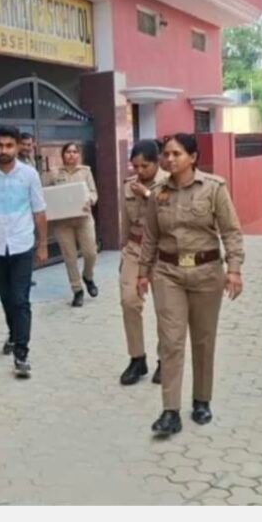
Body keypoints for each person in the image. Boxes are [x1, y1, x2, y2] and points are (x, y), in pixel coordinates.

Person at [137, 133, 245, 436]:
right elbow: (150, 236)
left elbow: (231, 231)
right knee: (171, 341)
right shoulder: (157, 192)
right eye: (166, 154)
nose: (169, 159)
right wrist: (142, 272)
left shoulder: (214, 188)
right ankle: (170, 411)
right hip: (168, 273)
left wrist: (234, 270)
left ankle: (201, 400)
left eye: (177, 154)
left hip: (206, 273)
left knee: (203, 339)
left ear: (193, 157)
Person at [0, 125, 48, 379]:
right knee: (6, 298)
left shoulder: (29, 175)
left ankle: (21, 354)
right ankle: (14, 335)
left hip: (22, 245)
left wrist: (42, 244)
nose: (4, 150)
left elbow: (39, 211)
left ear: (17, 147)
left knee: (20, 300)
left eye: (9, 145)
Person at [118, 140, 168, 385]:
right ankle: (137, 358)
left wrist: (148, 195)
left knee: (165, 309)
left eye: (144, 166)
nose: (139, 171)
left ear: (157, 162)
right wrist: (123, 249)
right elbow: (125, 221)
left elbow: (170, 212)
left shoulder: (169, 182)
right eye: (135, 166)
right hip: (135, 248)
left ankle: (165, 361)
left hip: (162, 251)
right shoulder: (129, 185)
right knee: (129, 301)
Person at [42, 142, 99, 307]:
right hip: (63, 222)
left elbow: (94, 192)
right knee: (70, 257)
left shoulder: (85, 171)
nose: (71, 155)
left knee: (91, 252)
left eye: (74, 152)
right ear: (63, 155)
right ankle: (77, 290)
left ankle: (88, 276)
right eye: (68, 152)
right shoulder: (54, 173)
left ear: (78, 155)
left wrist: (90, 200)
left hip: (83, 218)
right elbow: (44, 194)